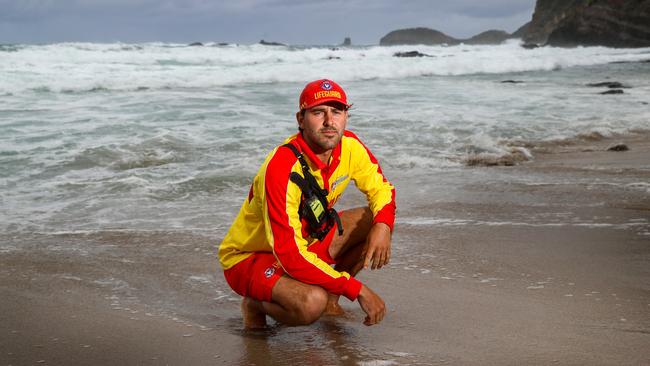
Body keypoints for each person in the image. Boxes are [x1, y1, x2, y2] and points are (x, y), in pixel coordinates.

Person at [218, 79, 396, 328]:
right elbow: (289, 254)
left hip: (305, 242)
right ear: (301, 119)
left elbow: (383, 190)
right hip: (251, 258)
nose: (329, 121)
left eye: (337, 111)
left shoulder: (351, 147)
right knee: (312, 302)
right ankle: (255, 304)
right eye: (318, 112)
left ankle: (331, 302)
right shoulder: (281, 166)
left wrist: (384, 226)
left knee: (372, 219)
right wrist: (356, 289)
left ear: (346, 116)